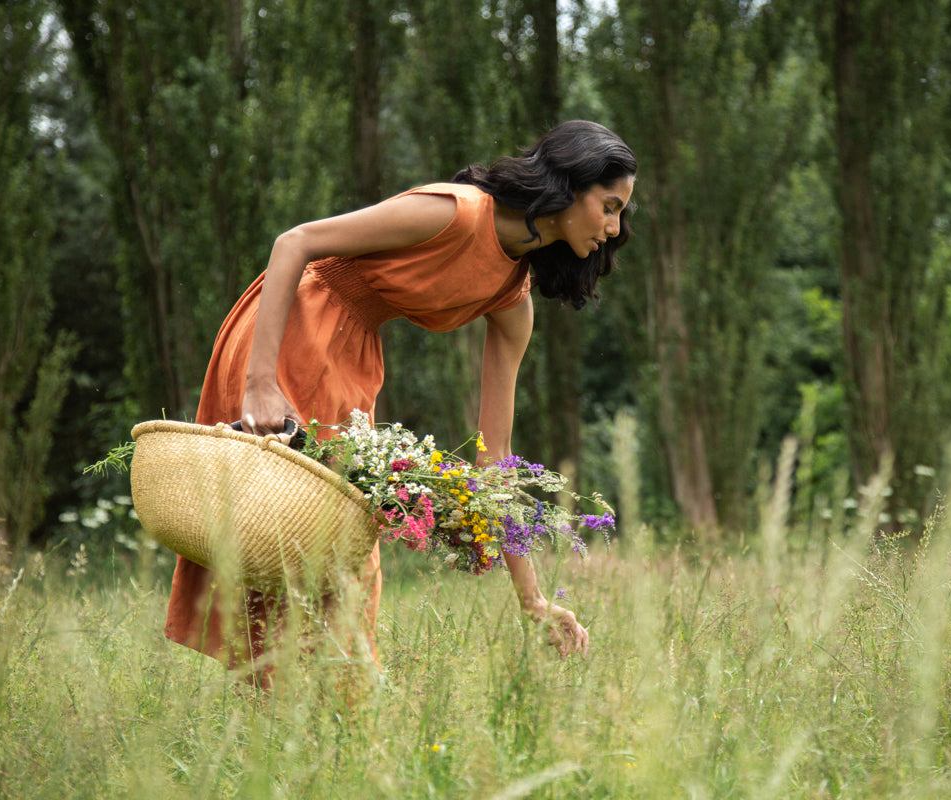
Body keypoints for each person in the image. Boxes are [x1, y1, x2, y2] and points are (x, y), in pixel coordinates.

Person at [163, 120, 637, 682]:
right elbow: (295, 242)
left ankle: (293, 729)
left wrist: (531, 601)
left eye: (621, 214)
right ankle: (295, 714)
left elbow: (496, 461)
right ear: (569, 183)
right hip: (293, 325)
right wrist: (259, 382)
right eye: (609, 206)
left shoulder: (514, 303)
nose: (612, 227)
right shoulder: (456, 211)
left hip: (353, 359)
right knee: (305, 538)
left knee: (324, 545)